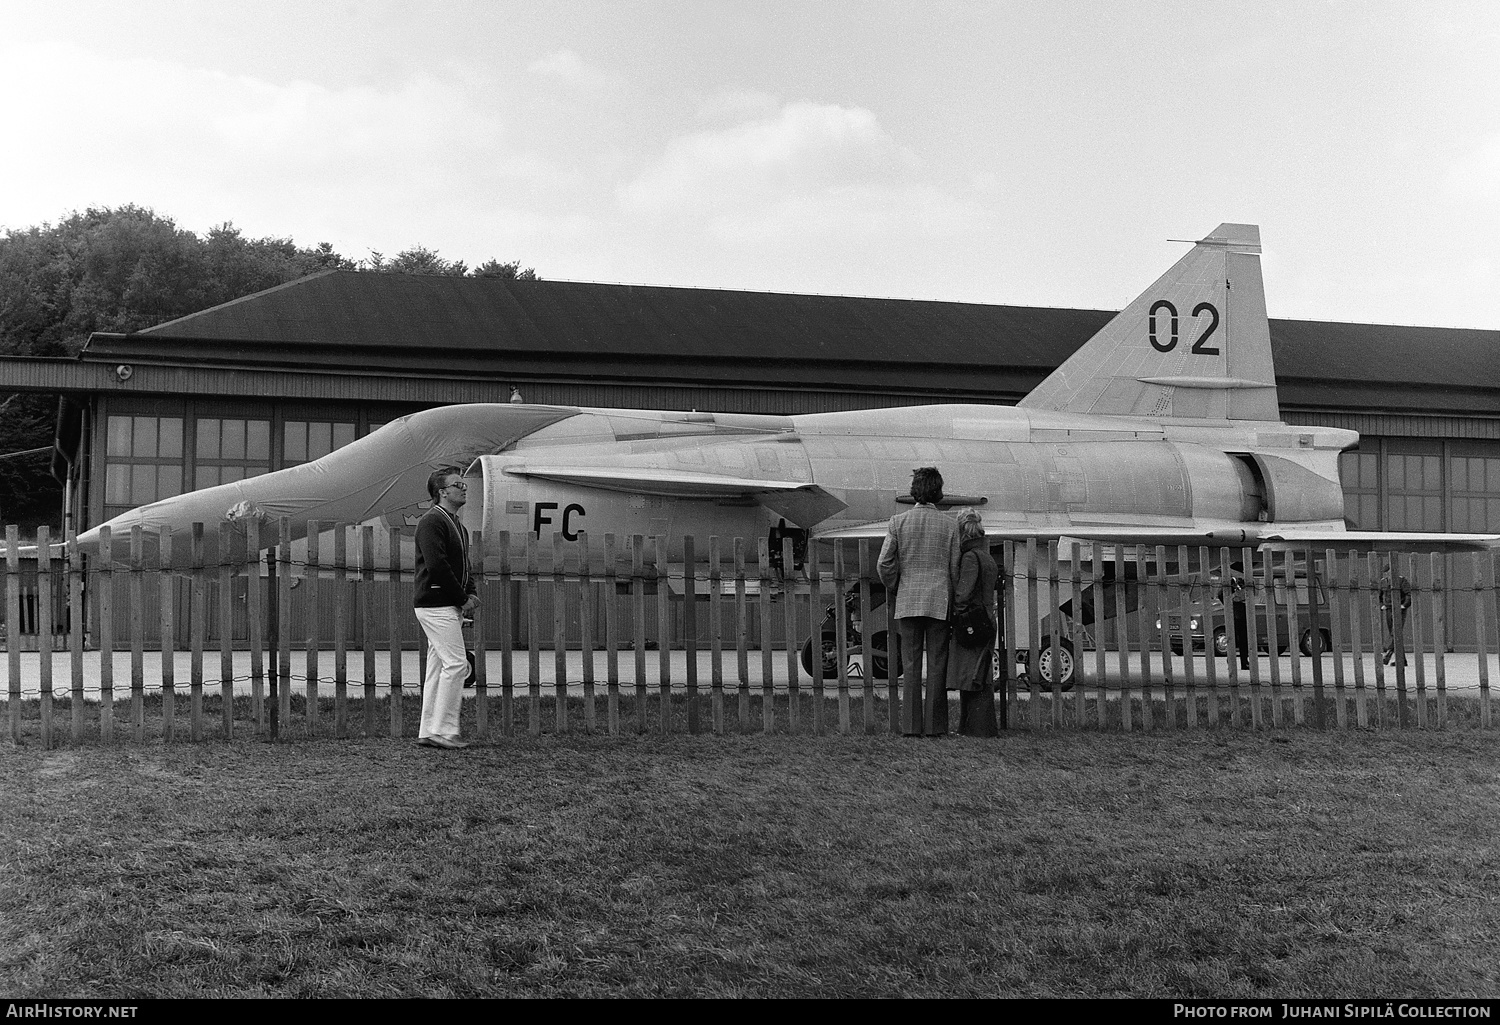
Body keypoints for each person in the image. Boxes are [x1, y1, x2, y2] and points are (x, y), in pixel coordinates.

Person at [877, 467, 961, 736]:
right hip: (939, 599)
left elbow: (884, 563)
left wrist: (897, 585)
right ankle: (936, 727)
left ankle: (911, 727)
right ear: (937, 492)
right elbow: (955, 567)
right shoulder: (950, 524)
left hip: (908, 599)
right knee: (937, 662)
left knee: (910, 663)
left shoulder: (897, 522)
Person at [414, 466, 480, 749]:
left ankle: (429, 730)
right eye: (457, 485)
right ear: (442, 492)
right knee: (457, 665)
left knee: (440, 666)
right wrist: (461, 598)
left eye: (463, 484)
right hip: (436, 602)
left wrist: (471, 593)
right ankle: (445, 731)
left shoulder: (457, 526)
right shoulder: (432, 521)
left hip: (443, 602)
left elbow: (463, 566)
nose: (463, 488)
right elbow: (437, 565)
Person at [947, 508, 1000, 737]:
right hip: (986, 620)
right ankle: (979, 728)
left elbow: (963, 593)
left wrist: (956, 615)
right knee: (980, 675)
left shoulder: (970, 557)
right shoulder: (986, 556)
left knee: (970, 676)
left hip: (972, 622)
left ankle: (974, 729)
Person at [1379, 566, 1412, 666]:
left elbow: (1408, 594)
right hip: (1388, 609)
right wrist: (1382, 605)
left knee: (1396, 632)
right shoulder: (1383, 582)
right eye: (1385, 573)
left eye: (1388, 572)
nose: (1387, 575)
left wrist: (1404, 605)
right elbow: (1379, 595)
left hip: (1399, 609)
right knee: (1394, 634)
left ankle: (1388, 653)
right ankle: (1402, 660)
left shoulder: (1402, 580)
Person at [1224, 575, 1250, 672]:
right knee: (1232, 640)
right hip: (1234, 614)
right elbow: (1220, 594)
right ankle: (1230, 662)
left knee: (1244, 641)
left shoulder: (1242, 581)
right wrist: (1231, 601)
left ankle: (1244, 662)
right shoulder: (1229, 581)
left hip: (1243, 614)